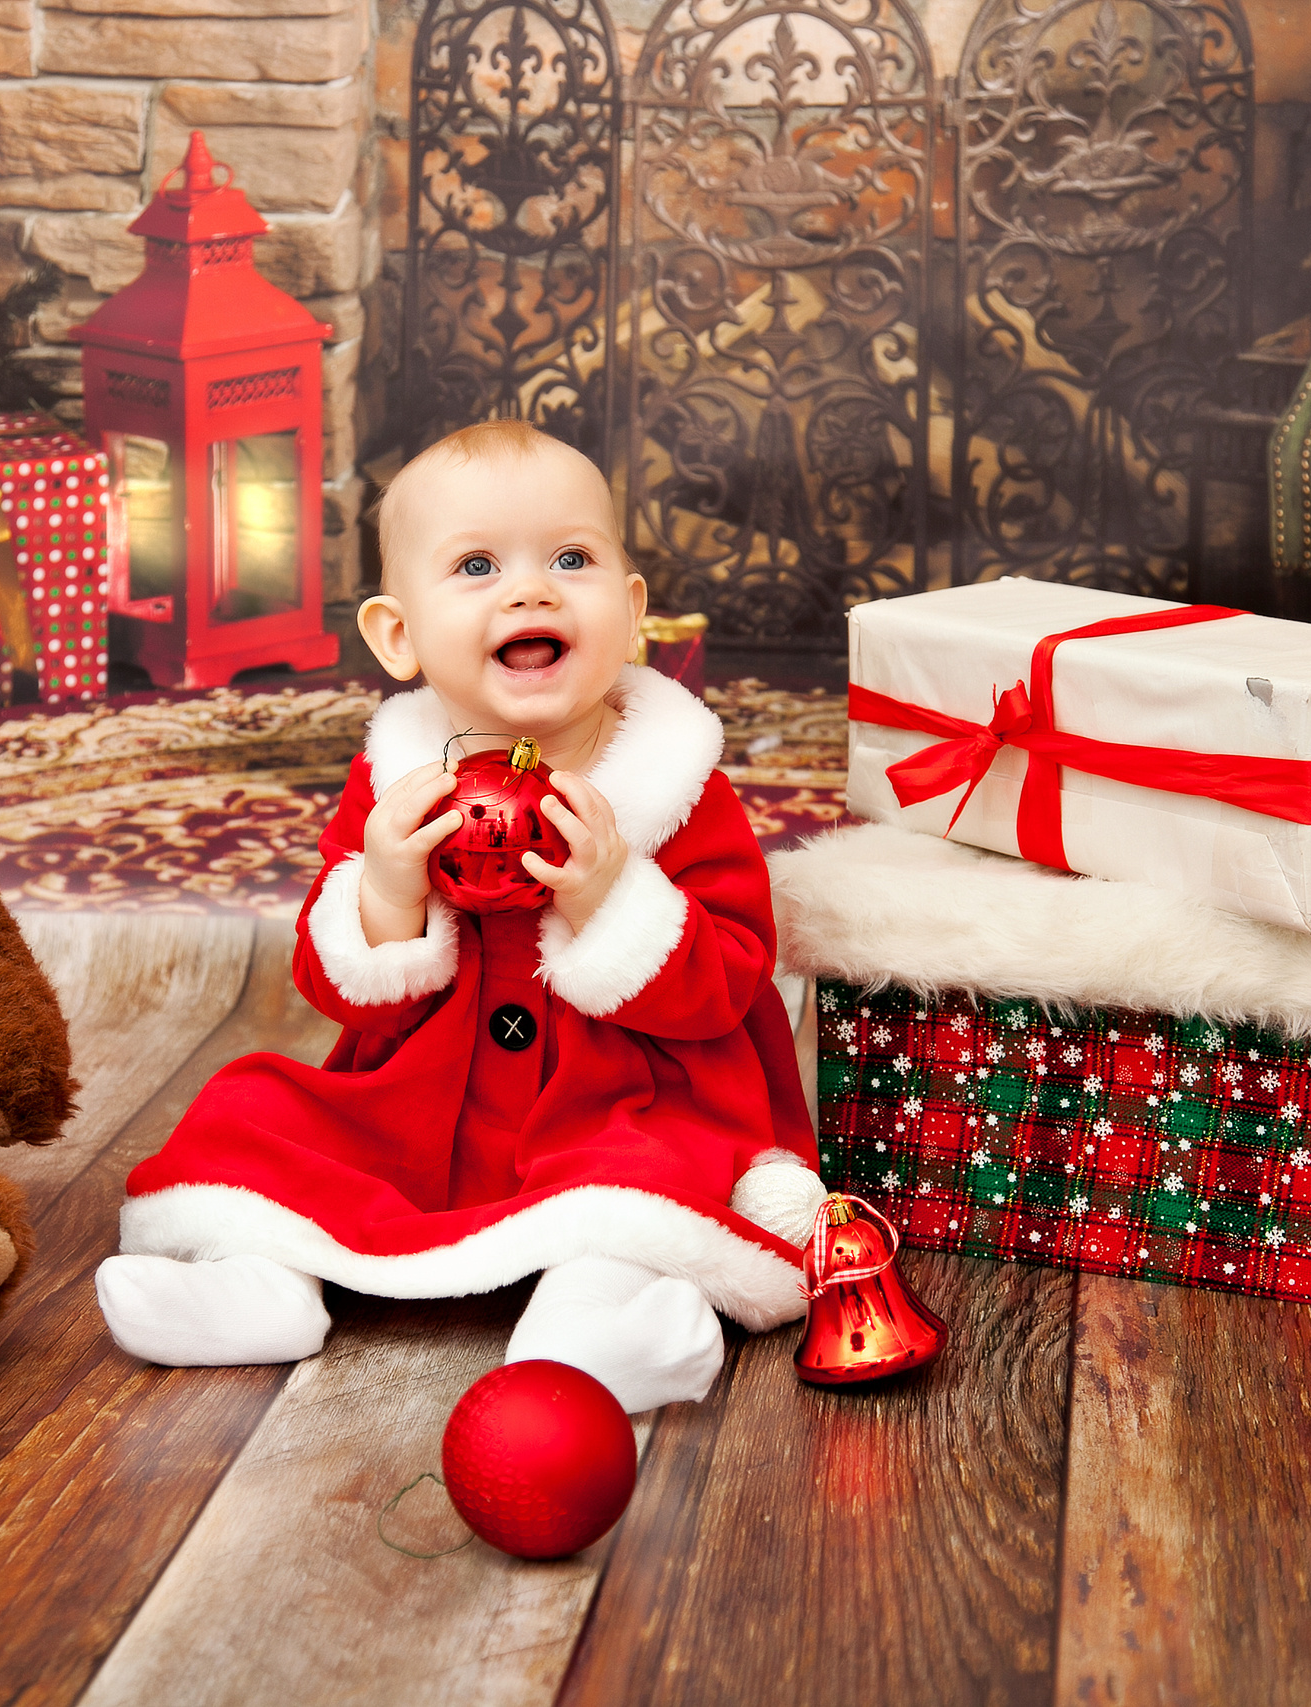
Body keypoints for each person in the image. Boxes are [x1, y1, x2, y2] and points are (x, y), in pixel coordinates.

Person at [92, 420, 824, 1411]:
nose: (532, 591)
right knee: (254, 1109)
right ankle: (261, 1282)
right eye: (477, 565)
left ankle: (599, 1317)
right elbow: (342, 993)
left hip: (623, 1092)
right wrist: (388, 890)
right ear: (398, 636)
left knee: (646, 1178)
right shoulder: (396, 785)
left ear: (632, 608)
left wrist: (613, 894)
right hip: (424, 1103)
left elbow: (729, 985)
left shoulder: (679, 788)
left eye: (572, 558)